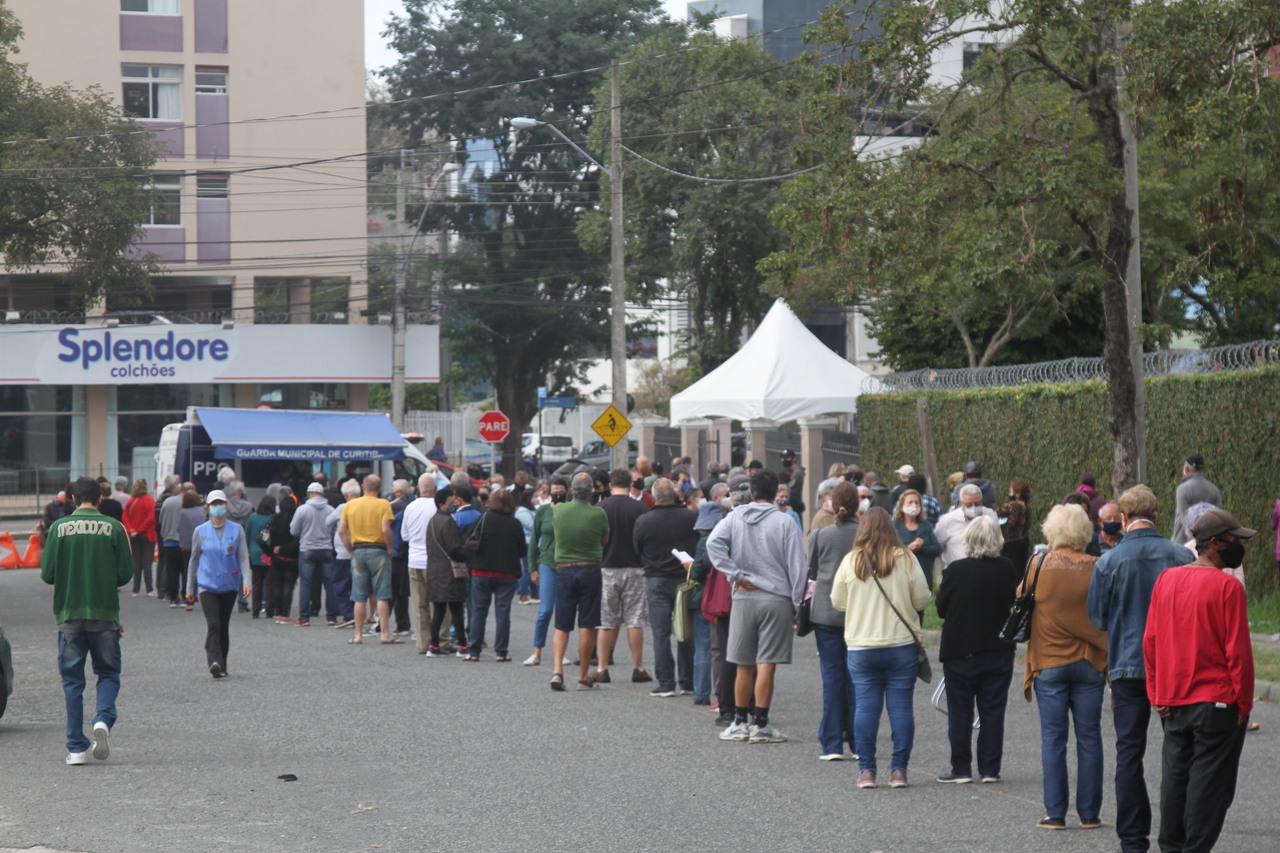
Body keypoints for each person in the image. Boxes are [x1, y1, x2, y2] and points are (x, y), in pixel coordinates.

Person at [1086, 484, 1194, 853]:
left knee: (1129, 752)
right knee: (1178, 752)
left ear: (1124, 519)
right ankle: (1175, 836)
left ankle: (1133, 838)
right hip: (1174, 666)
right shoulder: (1181, 555)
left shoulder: (1109, 561)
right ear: (1157, 515)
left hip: (1127, 665)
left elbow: (1098, 618)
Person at [1144, 508, 1254, 853]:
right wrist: (1244, 703)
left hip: (1173, 699)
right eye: (1235, 540)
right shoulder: (1227, 587)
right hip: (1217, 701)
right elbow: (1238, 652)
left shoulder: (1167, 580)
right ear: (1216, 544)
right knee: (1210, 787)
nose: (1239, 547)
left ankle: (1171, 846)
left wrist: (1155, 691)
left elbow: (1151, 641)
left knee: (1176, 779)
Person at [831, 507, 931, 789]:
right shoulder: (907, 559)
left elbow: (838, 602)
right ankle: (898, 770)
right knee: (900, 709)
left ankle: (867, 770)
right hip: (901, 644)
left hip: (862, 646)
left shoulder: (852, 561)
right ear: (891, 528)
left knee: (865, 707)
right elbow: (922, 600)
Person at [705, 469, 807, 744]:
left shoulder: (735, 517)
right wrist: (797, 603)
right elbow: (798, 566)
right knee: (766, 663)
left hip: (744, 595)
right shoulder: (785, 522)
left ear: (751, 492)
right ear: (775, 493)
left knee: (743, 662)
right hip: (776, 597)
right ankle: (761, 723)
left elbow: (713, 544)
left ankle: (739, 722)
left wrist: (734, 574)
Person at [1023, 504, 1108, 830]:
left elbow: (1020, 598)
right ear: (1085, 532)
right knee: (1090, 737)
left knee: (1053, 738)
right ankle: (1089, 813)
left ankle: (1055, 813)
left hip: (1049, 661)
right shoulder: (1097, 566)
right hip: (1089, 660)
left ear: (1051, 531)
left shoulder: (1039, 565)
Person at [40, 477, 133, 766]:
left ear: (72, 498)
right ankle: (102, 719)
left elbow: (48, 574)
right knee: (107, 673)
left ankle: (76, 747)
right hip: (104, 614)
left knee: (72, 681)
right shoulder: (113, 527)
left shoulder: (58, 528)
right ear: (100, 499)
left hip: (69, 614)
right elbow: (125, 573)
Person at [935, 516, 1019, 784]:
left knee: (960, 711)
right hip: (997, 648)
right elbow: (1013, 603)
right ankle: (990, 769)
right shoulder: (1007, 569)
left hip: (960, 648)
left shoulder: (955, 570)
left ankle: (960, 768)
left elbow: (940, 608)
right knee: (993, 710)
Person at [807, 482, 861, 761]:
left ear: (832, 502)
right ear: (858, 505)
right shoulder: (866, 535)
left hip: (825, 611)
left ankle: (831, 743)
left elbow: (811, 571)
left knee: (831, 675)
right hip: (859, 612)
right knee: (856, 677)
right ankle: (857, 741)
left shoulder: (820, 534)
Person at [633, 477, 699, 698]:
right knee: (685, 632)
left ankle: (666, 682)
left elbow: (637, 548)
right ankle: (687, 681)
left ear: (653, 496)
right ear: (674, 494)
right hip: (684, 578)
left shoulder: (644, 521)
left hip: (656, 578)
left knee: (660, 633)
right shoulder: (690, 517)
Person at [549, 471, 609, 691]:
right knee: (587, 624)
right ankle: (583, 677)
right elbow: (604, 538)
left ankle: (557, 671)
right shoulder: (599, 514)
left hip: (564, 569)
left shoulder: (560, 510)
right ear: (592, 491)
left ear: (572, 491)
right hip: (590, 569)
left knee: (562, 625)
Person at [184, 490, 251, 678]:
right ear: (208, 507)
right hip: (207, 585)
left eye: (220, 503)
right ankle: (213, 660)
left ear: (226, 505)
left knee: (223, 625)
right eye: (214, 504)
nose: (217, 507)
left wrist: (247, 581)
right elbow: (193, 560)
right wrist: (190, 588)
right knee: (213, 624)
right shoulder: (200, 531)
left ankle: (222, 664)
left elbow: (243, 558)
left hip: (229, 584)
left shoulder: (236, 530)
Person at [593, 468, 651, 684]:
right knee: (635, 620)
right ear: (630, 485)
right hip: (635, 567)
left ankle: (602, 667)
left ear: (610, 485)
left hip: (606, 567)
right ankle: (638, 667)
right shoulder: (640, 509)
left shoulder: (600, 508)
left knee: (606, 620)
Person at [465, 488, 526, 661]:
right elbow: (522, 550)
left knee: (478, 611)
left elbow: (469, 539)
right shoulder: (514, 524)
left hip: (481, 570)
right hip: (506, 573)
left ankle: (474, 650)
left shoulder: (483, 518)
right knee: (503, 613)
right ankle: (501, 652)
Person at [338, 475, 396, 645]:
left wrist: (350, 550)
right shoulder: (383, 504)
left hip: (358, 550)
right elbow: (386, 529)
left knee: (359, 595)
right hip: (378, 550)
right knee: (382, 595)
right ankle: (384, 633)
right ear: (379, 489)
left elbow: (342, 530)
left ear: (363, 487)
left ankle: (358, 635)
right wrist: (390, 548)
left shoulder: (350, 505)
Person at [524, 476, 568, 667]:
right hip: (548, 564)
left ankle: (561, 652)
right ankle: (537, 652)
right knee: (545, 610)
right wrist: (532, 568)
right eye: (554, 490)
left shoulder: (571, 510)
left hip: (567, 564)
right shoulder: (542, 512)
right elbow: (534, 540)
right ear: (548, 492)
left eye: (561, 491)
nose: (557, 494)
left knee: (563, 610)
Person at [425, 487, 470, 657]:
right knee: (456, 608)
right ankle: (462, 645)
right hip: (449, 571)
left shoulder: (433, 520)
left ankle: (433, 645)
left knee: (439, 609)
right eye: (452, 501)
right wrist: (465, 552)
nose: (454, 504)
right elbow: (454, 548)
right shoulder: (448, 522)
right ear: (443, 503)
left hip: (435, 569)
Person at [400, 473, 438, 654]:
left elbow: (404, 535)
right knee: (436, 603)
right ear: (435, 489)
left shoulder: (410, 507)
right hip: (434, 561)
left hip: (414, 559)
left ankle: (423, 642)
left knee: (419, 604)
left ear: (418, 489)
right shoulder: (438, 507)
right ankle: (438, 640)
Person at [291, 482, 335, 627]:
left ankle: (304, 617)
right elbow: (335, 530)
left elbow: (293, 531)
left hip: (307, 548)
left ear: (309, 494)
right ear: (322, 494)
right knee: (329, 584)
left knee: (306, 584)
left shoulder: (302, 510)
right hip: (326, 548)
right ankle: (331, 617)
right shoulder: (330, 510)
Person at [892, 489, 941, 602]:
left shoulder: (925, 525)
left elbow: (937, 549)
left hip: (923, 574)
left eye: (916, 502)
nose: (914, 505)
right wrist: (909, 548)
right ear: (902, 505)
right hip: (901, 574)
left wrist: (921, 548)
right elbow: (890, 549)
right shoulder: (894, 526)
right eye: (910, 502)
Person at [935, 484, 998, 568]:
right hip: (957, 572)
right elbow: (937, 546)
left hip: (986, 569)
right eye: (969, 505)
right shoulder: (947, 520)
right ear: (961, 503)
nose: (973, 507)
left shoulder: (991, 515)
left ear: (981, 501)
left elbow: (997, 541)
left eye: (977, 504)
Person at [1171, 453, 1221, 544]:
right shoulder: (1214, 489)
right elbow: (1219, 518)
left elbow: (1185, 520)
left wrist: (1194, 543)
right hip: (1208, 544)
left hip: (1182, 544)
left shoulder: (1182, 489)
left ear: (1186, 468)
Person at [267, 491, 300, 624]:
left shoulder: (273, 519)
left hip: (276, 558)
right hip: (292, 557)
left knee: (277, 584)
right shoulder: (295, 520)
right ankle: (285, 612)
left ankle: (278, 610)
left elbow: (262, 538)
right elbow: (297, 539)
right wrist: (286, 549)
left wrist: (271, 550)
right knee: (289, 585)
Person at [388, 479, 414, 636]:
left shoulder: (394, 506)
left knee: (390, 590)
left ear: (398, 491)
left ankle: (380, 624)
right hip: (406, 551)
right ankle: (403, 624)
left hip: (395, 550)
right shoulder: (411, 504)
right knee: (402, 591)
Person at [122, 479, 156, 597]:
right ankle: (149, 589)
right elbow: (151, 518)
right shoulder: (150, 501)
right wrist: (141, 529)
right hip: (147, 535)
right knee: (147, 564)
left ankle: (135, 589)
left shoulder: (131, 501)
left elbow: (125, 517)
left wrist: (131, 529)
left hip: (133, 536)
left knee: (136, 563)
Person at [246, 495, 275, 619]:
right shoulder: (273, 518)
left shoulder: (253, 517)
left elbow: (247, 533)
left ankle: (255, 609)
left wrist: (248, 549)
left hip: (255, 552)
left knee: (256, 582)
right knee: (269, 583)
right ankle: (269, 609)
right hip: (268, 553)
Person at [177, 489, 206, 612]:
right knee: (202, 570)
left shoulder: (182, 513)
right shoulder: (202, 511)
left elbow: (179, 528)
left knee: (188, 571)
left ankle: (189, 596)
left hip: (187, 545)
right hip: (203, 544)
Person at [996, 499, 1030, 571]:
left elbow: (998, 511)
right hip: (1021, 541)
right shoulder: (1026, 506)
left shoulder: (1013, 505)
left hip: (1010, 544)